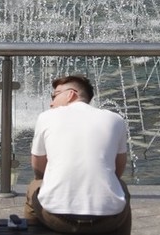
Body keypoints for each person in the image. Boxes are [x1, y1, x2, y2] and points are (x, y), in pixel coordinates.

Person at [25, 74, 131, 235]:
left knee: (34, 185)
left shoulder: (46, 117)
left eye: (54, 95)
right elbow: (118, 170)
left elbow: (38, 169)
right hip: (108, 219)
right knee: (121, 187)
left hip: (58, 219)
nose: (51, 102)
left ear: (71, 94)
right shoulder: (115, 119)